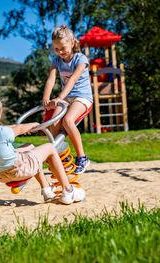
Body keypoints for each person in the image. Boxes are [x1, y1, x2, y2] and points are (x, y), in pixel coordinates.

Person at [0, 91, 86, 205]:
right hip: (17, 170)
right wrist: (36, 125)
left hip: (0, 175)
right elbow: (20, 128)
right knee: (49, 148)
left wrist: (22, 128)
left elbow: (13, 129)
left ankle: (46, 189)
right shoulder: (4, 133)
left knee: (30, 147)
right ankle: (68, 190)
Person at [42, 25, 93, 174]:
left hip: (82, 97)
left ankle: (82, 157)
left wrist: (58, 98)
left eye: (63, 48)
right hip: (67, 97)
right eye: (56, 49)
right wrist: (46, 99)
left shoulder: (81, 59)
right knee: (54, 124)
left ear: (72, 42)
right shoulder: (57, 61)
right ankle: (62, 157)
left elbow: (72, 80)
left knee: (68, 121)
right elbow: (51, 79)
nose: (60, 52)